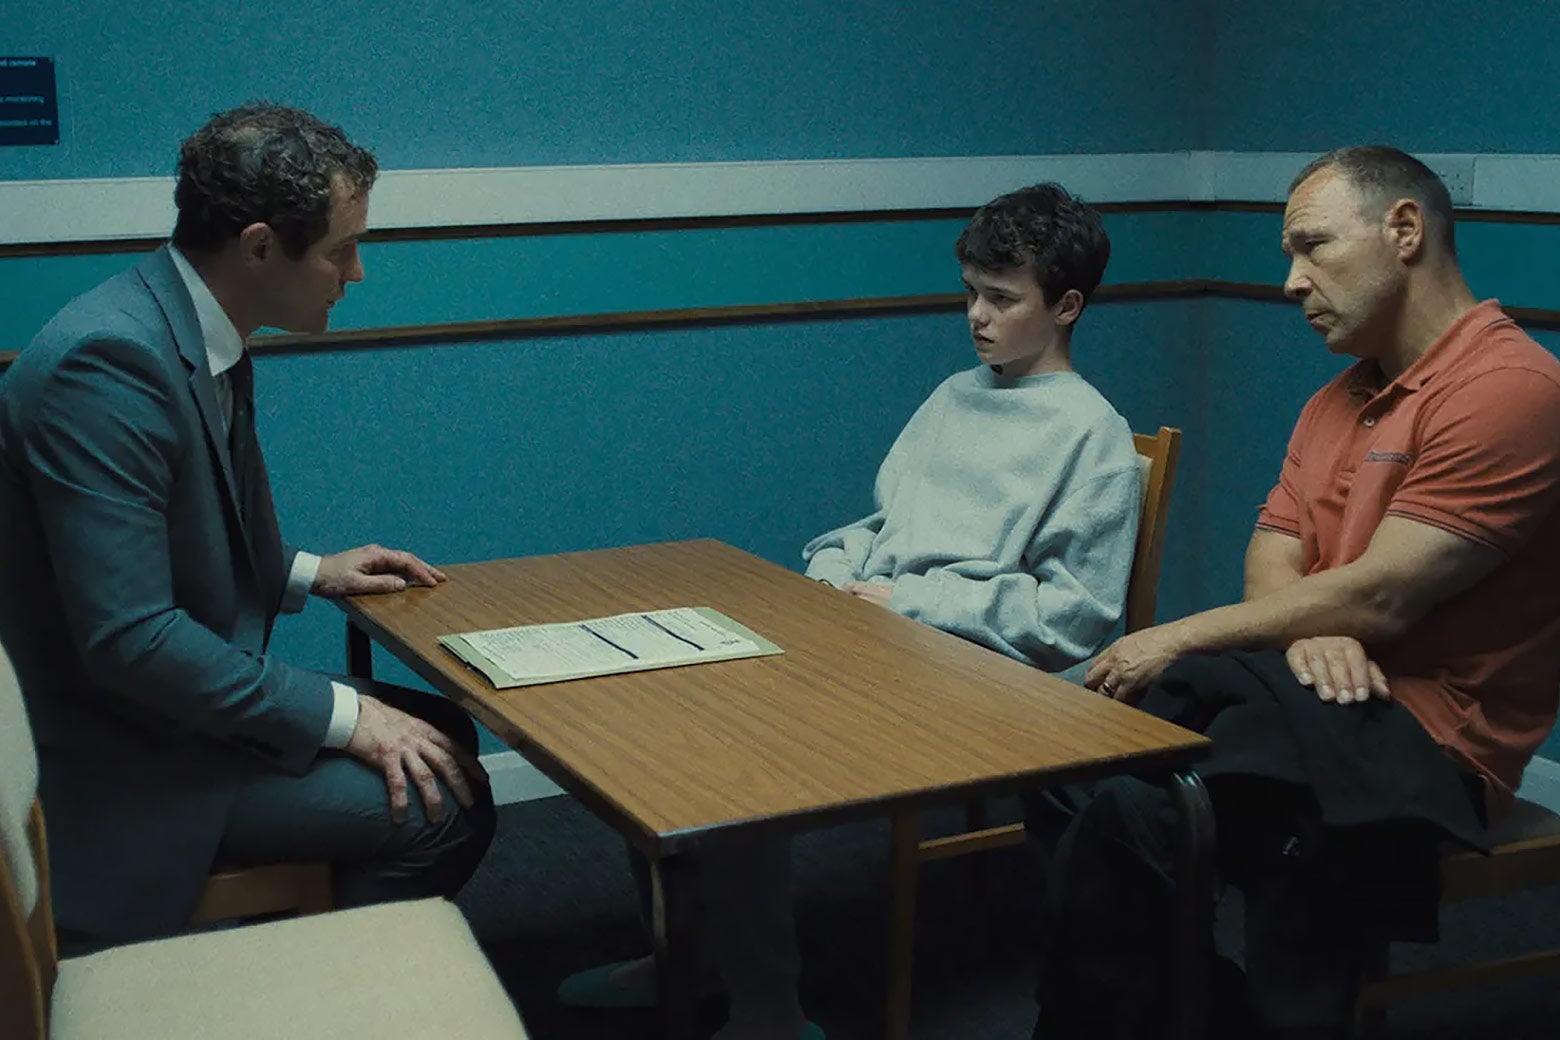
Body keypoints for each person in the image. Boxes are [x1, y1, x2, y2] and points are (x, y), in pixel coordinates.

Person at [559, 182, 1142, 1040]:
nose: (976, 316)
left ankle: (769, 1012)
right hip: (877, 630)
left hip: (978, 672)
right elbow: (881, 524)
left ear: (1067, 306)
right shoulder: (955, 395)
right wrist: (836, 569)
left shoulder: (1092, 437)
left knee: (736, 764)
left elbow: (1075, 619)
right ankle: (693, 949)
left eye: (1001, 299)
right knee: (660, 713)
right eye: (970, 294)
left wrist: (910, 600)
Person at [1028, 147, 1560, 1040]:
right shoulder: (1334, 401)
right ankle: (1210, 1008)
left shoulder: (1512, 389)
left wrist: (1182, 636)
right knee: (1064, 760)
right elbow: (1273, 558)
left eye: (1313, 247)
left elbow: (1384, 597)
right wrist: (1321, 627)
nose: (1290, 282)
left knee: (1142, 803)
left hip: (1428, 740)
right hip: (1310, 698)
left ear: (1404, 231)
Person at [0, 103, 495, 952]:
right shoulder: (107, 365)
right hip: (120, 761)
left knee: (442, 732)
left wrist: (309, 572)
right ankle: (301, 984)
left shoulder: (182, 326)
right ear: (261, 246)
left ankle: (294, 930)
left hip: (154, 718)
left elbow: (158, 542)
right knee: (445, 805)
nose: (358, 273)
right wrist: (346, 718)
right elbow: (131, 639)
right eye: (342, 249)